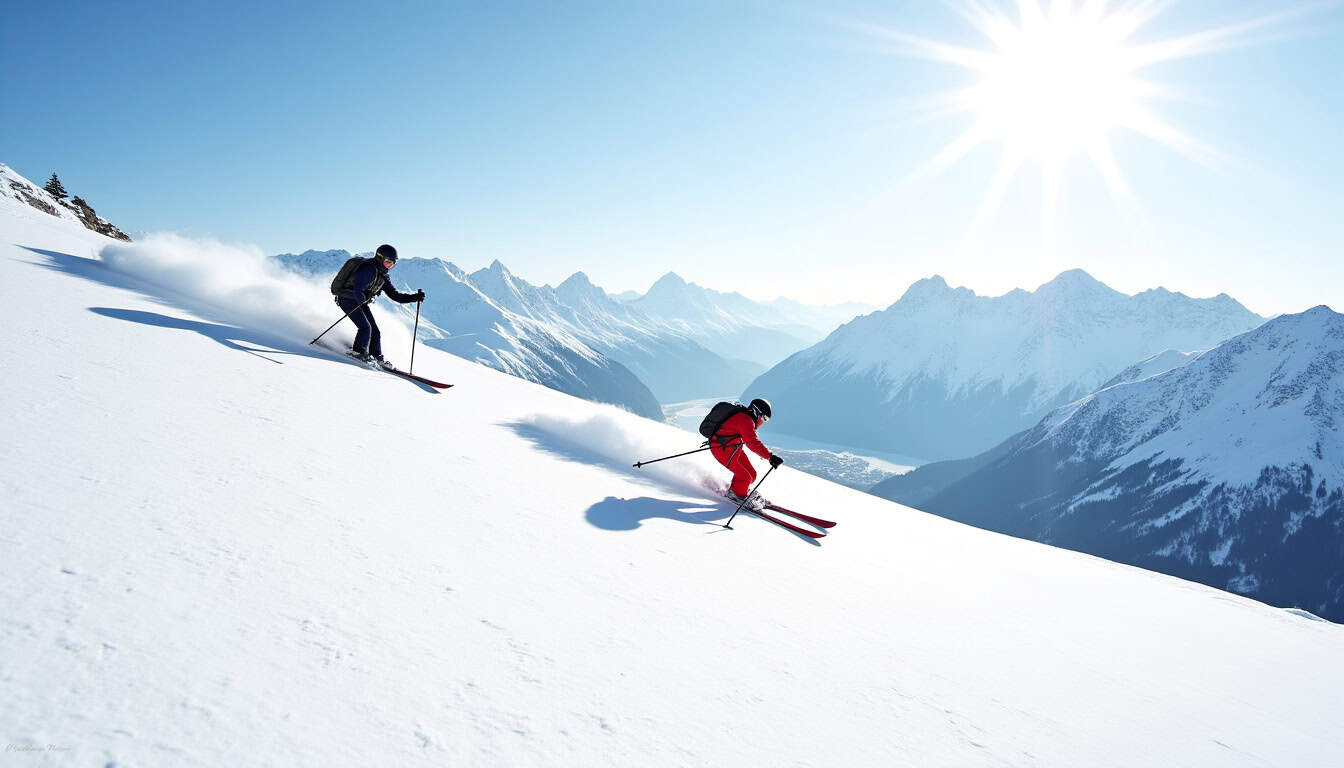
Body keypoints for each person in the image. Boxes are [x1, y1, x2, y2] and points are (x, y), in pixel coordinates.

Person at [332, 244, 425, 368]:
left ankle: (376, 356)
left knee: (375, 330)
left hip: (359, 301)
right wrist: (362, 303)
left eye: (393, 264)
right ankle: (358, 352)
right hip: (347, 299)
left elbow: (395, 295)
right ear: (380, 258)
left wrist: (414, 298)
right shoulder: (368, 269)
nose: (389, 266)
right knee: (365, 327)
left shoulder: (383, 275)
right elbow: (358, 288)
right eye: (388, 262)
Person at [708, 398, 783, 510]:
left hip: (732, 447)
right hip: (722, 449)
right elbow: (752, 442)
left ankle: (737, 490)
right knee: (745, 477)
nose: (763, 422)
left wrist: (769, 456)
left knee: (752, 475)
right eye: (764, 418)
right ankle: (737, 496)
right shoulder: (745, 420)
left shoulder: (746, 418)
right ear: (757, 412)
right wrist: (770, 456)